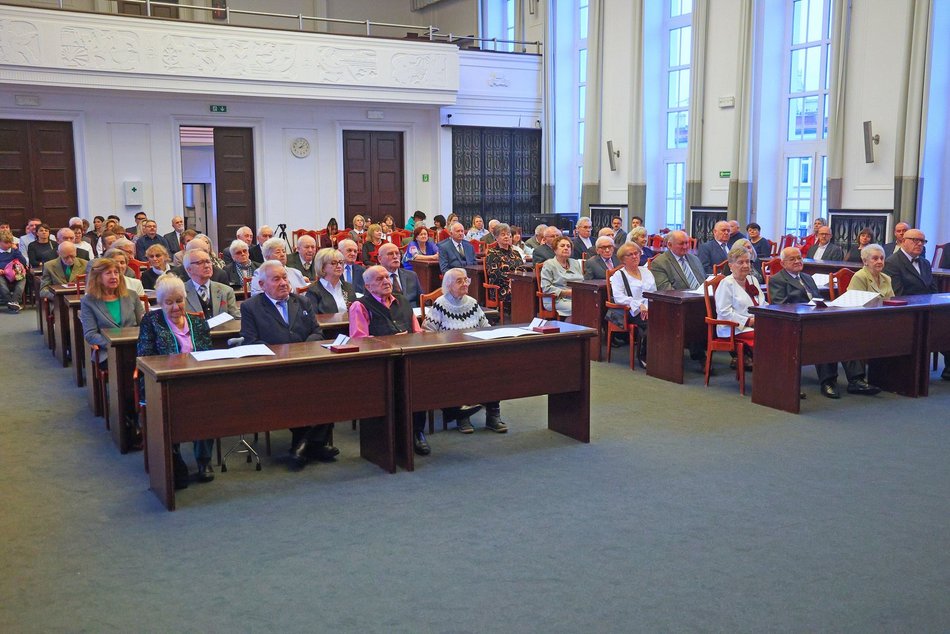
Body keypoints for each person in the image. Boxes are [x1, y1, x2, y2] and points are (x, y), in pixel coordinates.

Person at [240, 260, 335, 468]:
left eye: (285, 277)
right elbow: (251, 341)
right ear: (262, 285)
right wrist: (283, 355)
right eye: (276, 279)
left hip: (306, 364)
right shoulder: (250, 307)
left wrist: (300, 351)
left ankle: (304, 443)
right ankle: (312, 444)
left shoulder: (301, 302)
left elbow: (317, 332)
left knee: (331, 387)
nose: (284, 283)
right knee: (295, 392)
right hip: (274, 369)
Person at [769, 247, 881, 398]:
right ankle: (828, 382)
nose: (797, 261)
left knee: (846, 334)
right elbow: (780, 305)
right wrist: (808, 308)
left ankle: (856, 380)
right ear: (783, 263)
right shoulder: (778, 279)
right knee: (824, 338)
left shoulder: (808, 278)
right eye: (792, 259)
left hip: (817, 317)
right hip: (796, 323)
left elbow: (817, 298)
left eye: (799, 258)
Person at [136, 274, 215, 488]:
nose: (175, 307)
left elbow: (207, 353)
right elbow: (144, 356)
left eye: (179, 301)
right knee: (170, 407)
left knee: (206, 404)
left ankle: (204, 460)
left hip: (196, 381)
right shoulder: (151, 322)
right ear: (160, 303)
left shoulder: (198, 323)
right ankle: (173, 454)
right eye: (169, 303)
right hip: (163, 383)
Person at [349, 265, 430, 454]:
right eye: (379, 279)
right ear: (368, 287)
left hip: (407, 359)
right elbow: (359, 339)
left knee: (419, 382)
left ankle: (417, 432)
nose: (386, 281)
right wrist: (391, 341)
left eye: (387, 277)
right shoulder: (360, 306)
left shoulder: (402, 301)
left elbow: (417, 331)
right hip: (379, 364)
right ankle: (391, 435)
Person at [422, 268, 508, 433]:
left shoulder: (472, 302)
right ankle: (462, 416)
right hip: (450, 355)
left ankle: (493, 415)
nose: (464, 284)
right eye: (459, 281)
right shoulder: (440, 304)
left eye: (465, 280)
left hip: (474, 352)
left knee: (494, 367)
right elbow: (427, 332)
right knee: (460, 371)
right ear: (448, 285)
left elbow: (486, 327)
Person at [883, 228, 949, 380]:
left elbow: (933, 289)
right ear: (903, 241)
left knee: (946, 322)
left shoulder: (924, 263)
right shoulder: (892, 262)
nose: (920, 244)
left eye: (922, 241)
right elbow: (898, 294)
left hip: (927, 310)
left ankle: (948, 368)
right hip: (908, 313)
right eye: (915, 240)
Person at [80, 257, 145, 355]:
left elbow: (143, 325)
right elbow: (90, 334)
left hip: (135, 347)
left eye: (116, 272)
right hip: (108, 350)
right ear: (97, 277)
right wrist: (116, 344)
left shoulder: (132, 295)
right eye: (108, 273)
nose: (114, 276)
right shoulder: (88, 301)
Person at [714, 245, 764, 369]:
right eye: (740, 262)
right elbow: (724, 312)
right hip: (733, 328)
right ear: (731, 266)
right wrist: (748, 321)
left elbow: (763, 303)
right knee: (766, 337)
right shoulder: (726, 283)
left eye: (748, 261)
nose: (746, 265)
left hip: (757, 323)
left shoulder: (753, 280)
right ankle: (763, 372)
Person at [607, 242, 655, 367]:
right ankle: (644, 356)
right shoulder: (619, 275)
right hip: (630, 310)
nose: (635, 256)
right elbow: (618, 297)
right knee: (652, 323)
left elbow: (654, 292)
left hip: (650, 307)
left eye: (637, 253)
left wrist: (649, 306)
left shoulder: (646, 272)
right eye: (630, 254)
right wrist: (638, 305)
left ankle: (661, 355)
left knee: (666, 320)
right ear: (623, 259)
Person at [182, 248, 240, 319]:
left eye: (208, 261)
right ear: (189, 269)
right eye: (200, 262)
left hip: (222, 329)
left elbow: (236, 318)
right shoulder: (181, 292)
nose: (207, 266)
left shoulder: (226, 291)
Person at [540, 236, 584, 319]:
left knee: (593, 305)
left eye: (568, 246)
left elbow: (582, 281)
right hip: (555, 299)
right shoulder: (549, 264)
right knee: (579, 307)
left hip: (576, 297)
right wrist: (566, 292)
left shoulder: (575, 263)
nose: (566, 248)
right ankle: (572, 329)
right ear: (555, 249)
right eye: (562, 246)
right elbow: (546, 288)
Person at [484, 223, 523, 312]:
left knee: (529, 290)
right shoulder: (492, 253)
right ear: (496, 238)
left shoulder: (515, 253)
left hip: (518, 284)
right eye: (503, 234)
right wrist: (511, 281)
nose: (506, 237)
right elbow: (494, 274)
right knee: (522, 292)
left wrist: (519, 280)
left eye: (508, 234)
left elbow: (522, 268)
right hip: (501, 287)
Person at [305, 247, 356, 313]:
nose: (339, 266)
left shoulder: (348, 287)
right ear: (322, 267)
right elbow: (313, 318)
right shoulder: (313, 291)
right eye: (333, 263)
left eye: (341, 262)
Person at [376, 242, 421, 307]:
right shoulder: (374, 278)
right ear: (380, 259)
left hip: (413, 312)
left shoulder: (412, 275)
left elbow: (421, 299)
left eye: (397, 253)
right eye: (390, 254)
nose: (395, 257)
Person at [0, 230, 29, 313]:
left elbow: (23, 262)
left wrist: (16, 250)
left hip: (15, 273)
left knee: (22, 278)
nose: (8, 244)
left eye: (10, 242)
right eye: (5, 242)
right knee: (1, 283)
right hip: (2, 274)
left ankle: (14, 301)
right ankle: (10, 302)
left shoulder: (14, 251)